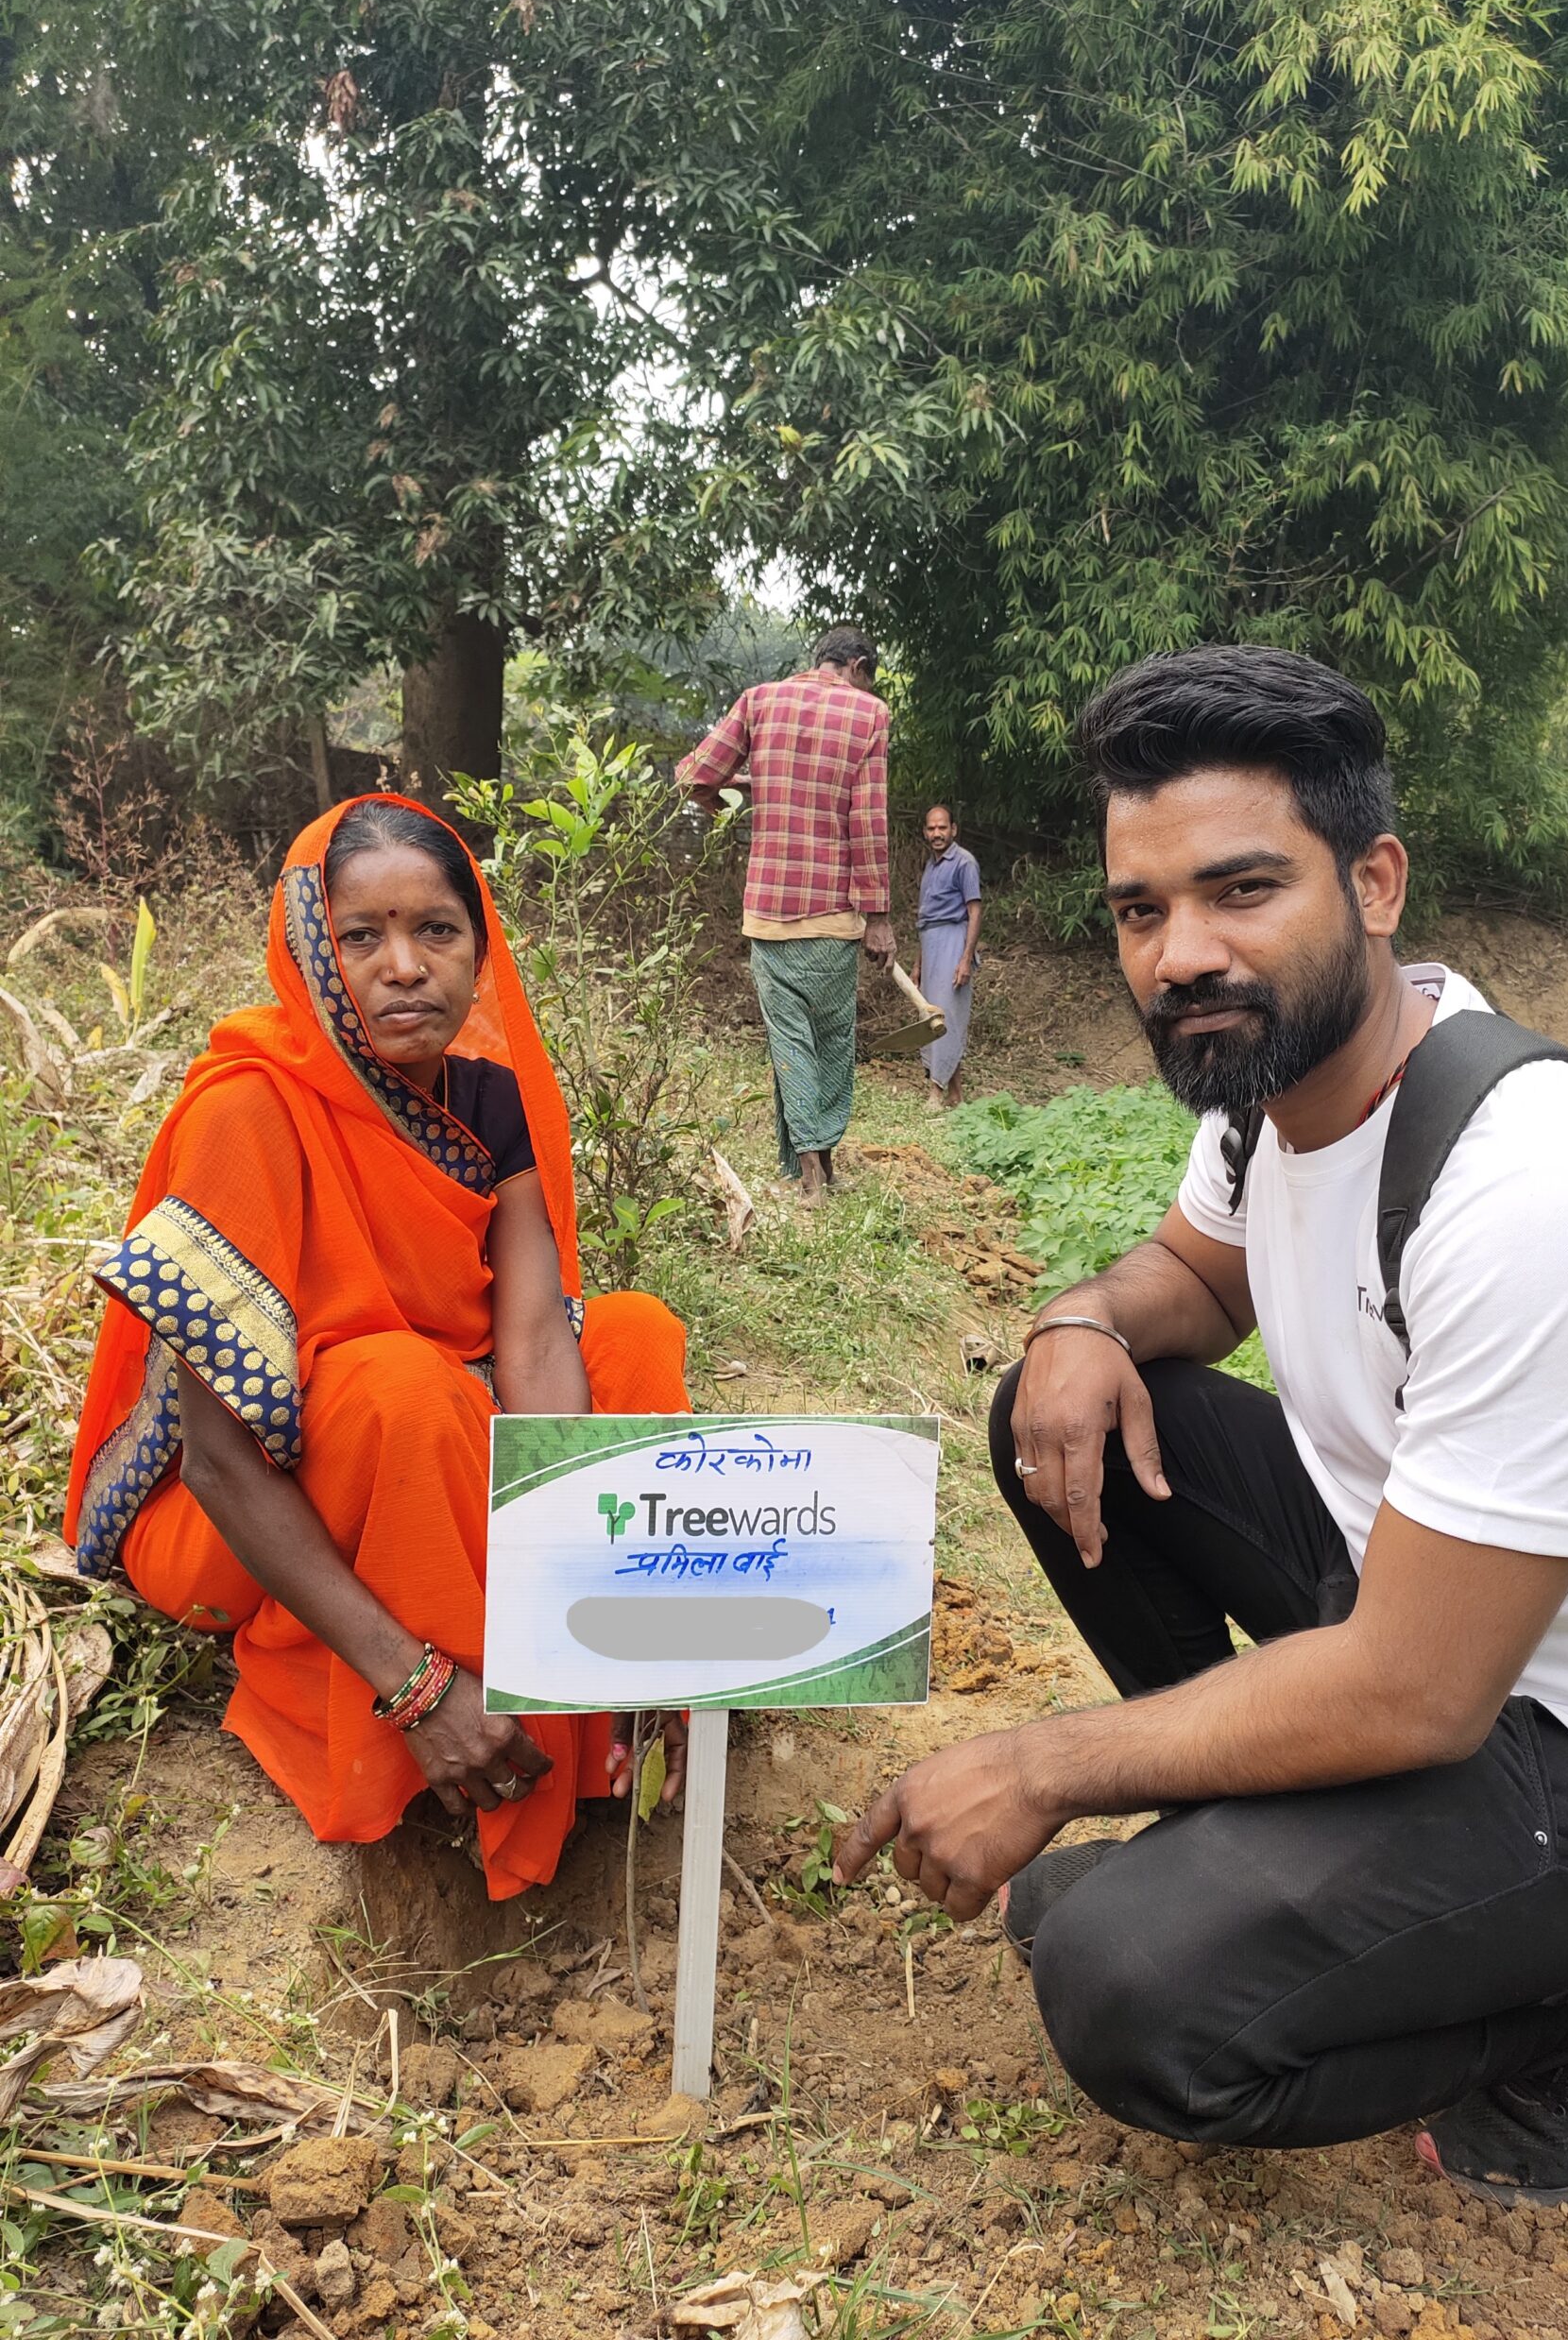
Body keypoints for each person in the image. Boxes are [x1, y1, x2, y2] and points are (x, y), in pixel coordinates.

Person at [834, 644, 1568, 2207]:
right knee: (1060, 1407)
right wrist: (1080, 1321)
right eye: (1141, 912)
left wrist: (1046, 1767)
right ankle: (1250, 1853)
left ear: (1374, 882)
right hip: (1438, 1601)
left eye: (1241, 891)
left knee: (1128, 1989)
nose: (1182, 955)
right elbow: (1192, 1279)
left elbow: (1419, 1690)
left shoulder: (1533, 1188)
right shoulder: (1274, 1089)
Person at [63, 794, 691, 1902]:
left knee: (632, 1334)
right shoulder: (247, 1110)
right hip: (240, 1516)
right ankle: (451, 1740)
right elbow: (217, 1462)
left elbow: (532, 1337)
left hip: (418, 1427)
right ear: (315, 951)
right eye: (363, 936)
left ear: (478, 951)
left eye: (436, 929)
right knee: (400, 1386)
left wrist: (587, 1583)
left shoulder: (487, 1103)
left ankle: (596, 1691)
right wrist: (416, 1684)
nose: (404, 966)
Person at [676, 625, 895, 1204]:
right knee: (831, 1042)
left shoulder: (760, 700)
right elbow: (868, 820)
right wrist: (878, 916)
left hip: (768, 914)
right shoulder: (869, 714)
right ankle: (819, 1173)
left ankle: (806, 1172)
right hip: (833, 915)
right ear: (858, 665)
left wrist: (736, 791)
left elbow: (694, 776)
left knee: (789, 1043)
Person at [914, 805, 981, 1108]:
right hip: (930, 946)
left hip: (953, 942)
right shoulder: (931, 866)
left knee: (944, 1017)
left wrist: (965, 958)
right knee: (932, 1015)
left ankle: (936, 1092)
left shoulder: (964, 862)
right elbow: (926, 920)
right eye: (931, 828)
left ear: (953, 829)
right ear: (925, 832)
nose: (937, 833)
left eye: (942, 827)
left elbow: (975, 911)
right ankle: (956, 1094)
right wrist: (918, 965)